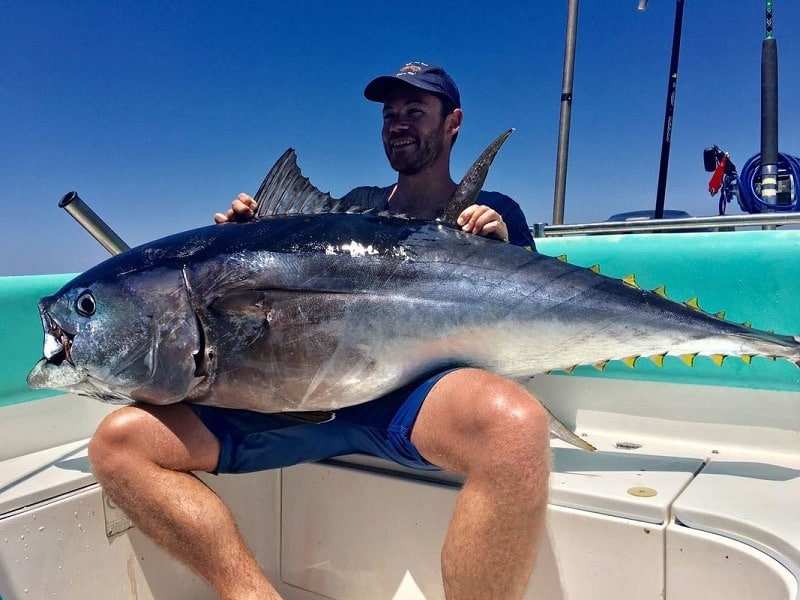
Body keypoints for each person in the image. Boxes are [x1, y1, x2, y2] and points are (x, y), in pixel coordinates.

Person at [89, 62, 551, 600]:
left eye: (415, 111)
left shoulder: (494, 213)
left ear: (453, 123)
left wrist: (503, 252)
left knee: (517, 428)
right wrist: (246, 240)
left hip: (410, 400)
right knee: (120, 443)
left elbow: (538, 318)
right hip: (292, 401)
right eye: (390, 113)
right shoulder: (355, 208)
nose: (399, 122)